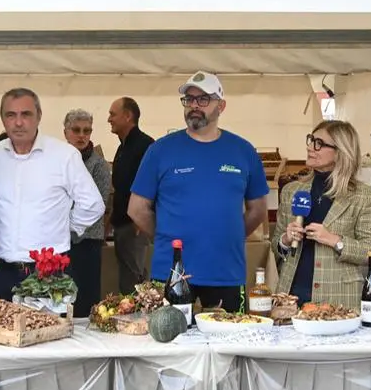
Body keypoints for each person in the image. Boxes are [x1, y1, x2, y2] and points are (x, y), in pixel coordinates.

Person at [128, 71, 269, 312]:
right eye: (189, 99)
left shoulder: (243, 151)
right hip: (172, 273)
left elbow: (258, 210)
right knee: (168, 341)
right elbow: (137, 209)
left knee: (227, 342)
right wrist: (168, 238)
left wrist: (228, 234)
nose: (194, 105)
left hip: (226, 272)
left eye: (203, 99)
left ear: (221, 106)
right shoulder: (160, 150)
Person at [0, 88, 105, 305]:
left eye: (25, 114)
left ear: (39, 116)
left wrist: (64, 226)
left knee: (52, 337)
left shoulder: (64, 156)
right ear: (2, 119)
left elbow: (93, 205)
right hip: (2, 271)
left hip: (50, 273)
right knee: (1, 335)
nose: (18, 122)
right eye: (10, 115)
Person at [273, 121, 371, 309]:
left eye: (319, 143)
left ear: (341, 152)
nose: (310, 147)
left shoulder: (365, 196)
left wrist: (334, 240)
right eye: (311, 140)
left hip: (340, 298)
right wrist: (285, 239)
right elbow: (276, 246)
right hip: (292, 293)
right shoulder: (292, 191)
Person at [64, 109, 112, 317]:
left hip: (89, 239)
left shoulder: (98, 164)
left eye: (87, 130)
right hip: (61, 239)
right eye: (76, 130)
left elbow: (100, 203)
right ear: (65, 132)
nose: (82, 135)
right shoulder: (59, 160)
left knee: (86, 293)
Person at [107, 96, 154, 294]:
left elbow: (154, 186)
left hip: (134, 226)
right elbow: (120, 188)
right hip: (121, 224)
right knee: (127, 278)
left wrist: (140, 222)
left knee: (135, 279)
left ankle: (138, 320)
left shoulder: (146, 146)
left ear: (127, 116)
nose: (109, 119)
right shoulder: (122, 147)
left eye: (112, 114)